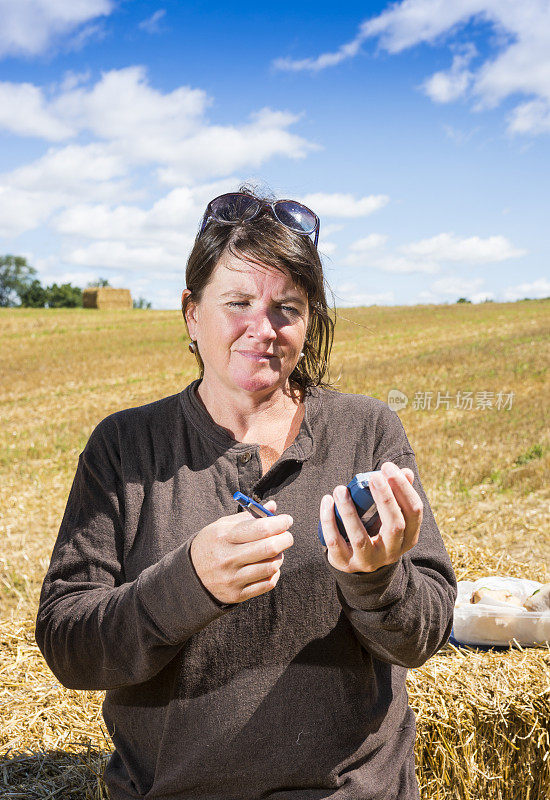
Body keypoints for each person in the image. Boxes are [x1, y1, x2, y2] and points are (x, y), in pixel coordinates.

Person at [36, 186, 457, 800]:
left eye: (287, 306)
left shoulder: (368, 432)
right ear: (191, 312)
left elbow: (423, 634)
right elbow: (69, 646)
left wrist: (377, 578)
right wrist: (187, 583)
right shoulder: (125, 448)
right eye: (238, 301)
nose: (264, 329)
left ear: (309, 320)